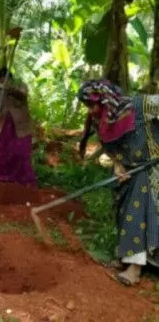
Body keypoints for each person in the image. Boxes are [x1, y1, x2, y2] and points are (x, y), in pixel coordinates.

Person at [78, 80, 159, 286]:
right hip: (130, 171)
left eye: (93, 104)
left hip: (152, 169)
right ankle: (129, 257)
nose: (91, 110)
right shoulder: (100, 121)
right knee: (125, 212)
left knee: (137, 207)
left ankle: (135, 268)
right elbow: (109, 148)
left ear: (106, 100)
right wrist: (117, 166)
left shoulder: (141, 105)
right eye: (88, 106)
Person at [0, 67, 36, 185]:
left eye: (5, 79)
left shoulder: (20, 86)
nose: (2, 82)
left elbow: (23, 95)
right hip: (4, 125)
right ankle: (1, 176)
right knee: (1, 150)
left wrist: (9, 89)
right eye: (0, 80)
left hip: (20, 125)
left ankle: (22, 178)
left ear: (10, 78)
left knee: (20, 150)